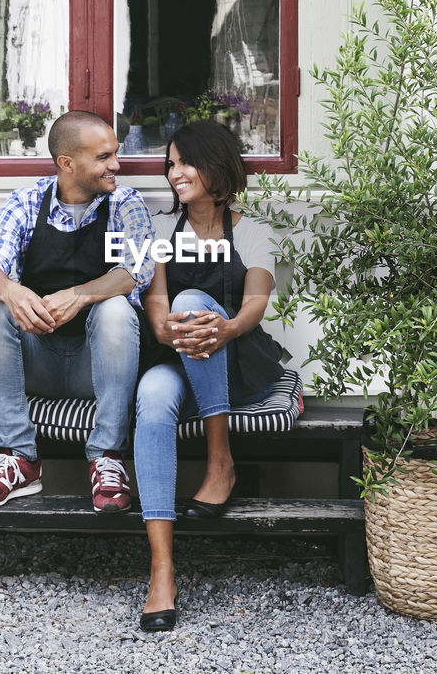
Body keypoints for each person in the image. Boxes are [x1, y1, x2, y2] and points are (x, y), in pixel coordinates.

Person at [0, 111, 155, 513]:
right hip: (38, 363)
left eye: (114, 154)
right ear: (67, 163)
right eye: (103, 157)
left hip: (96, 367)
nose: (116, 165)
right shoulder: (27, 200)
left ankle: (108, 458)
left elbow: (137, 271)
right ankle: (19, 458)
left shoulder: (124, 202)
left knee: (116, 307)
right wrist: (12, 292)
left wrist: (81, 295)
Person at [133, 121, 285, 631]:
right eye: (170, 163)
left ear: (217, 166)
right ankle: (161, 570)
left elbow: (255, 304)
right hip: (177, 357)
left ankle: (221, 462)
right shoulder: (156, 229)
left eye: (185, 162)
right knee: (153, 396)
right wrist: (167, 329)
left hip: (235, 360)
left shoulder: (254, 227)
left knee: (194, 300)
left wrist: (224, 329)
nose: (175, 173)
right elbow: (155, 306)